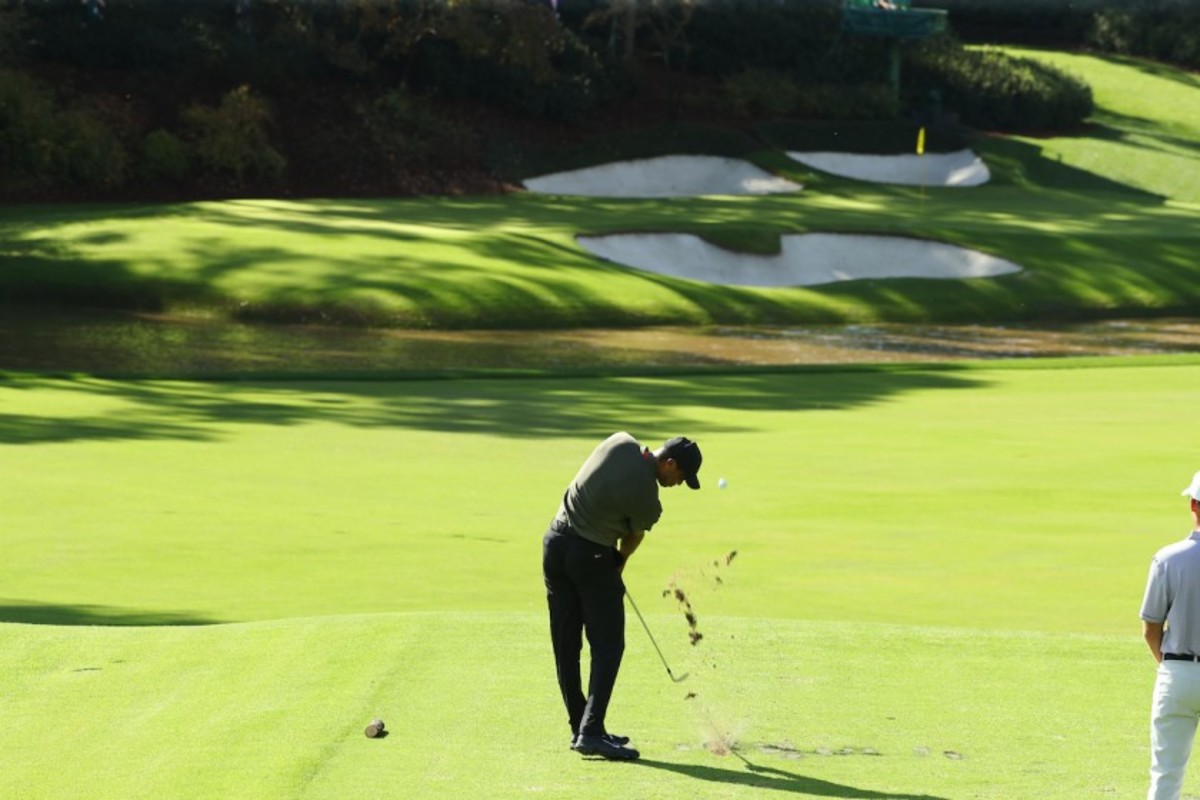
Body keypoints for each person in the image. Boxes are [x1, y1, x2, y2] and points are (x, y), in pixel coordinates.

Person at [542, 433, 702, 761]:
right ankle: (590, 732)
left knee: (566, 644)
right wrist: (619, 563)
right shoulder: (649, 499)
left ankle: (581, 726)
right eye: (681, 477)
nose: (678, 484)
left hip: (554, 544)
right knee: (609, 645)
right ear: (670, 463)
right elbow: (633, 536)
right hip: (589, 555)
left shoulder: (620, 441)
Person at [1141, 469, 1200, 799]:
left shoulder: (1167, 559)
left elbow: (1151, 628)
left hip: (1177, 672)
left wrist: (1170, 665)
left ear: (1193, 504)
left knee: (1165, 776)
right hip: (1178, 669)